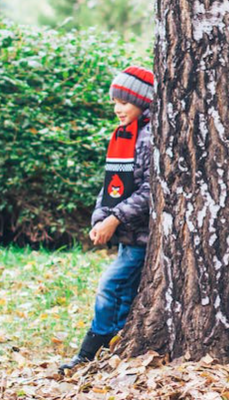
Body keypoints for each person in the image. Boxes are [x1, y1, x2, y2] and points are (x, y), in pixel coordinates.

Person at [59, 66, 154, 373]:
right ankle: (117, 342)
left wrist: (115, 218)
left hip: (143, 236)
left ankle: (91, 348)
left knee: (111, 284)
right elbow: (111, 184)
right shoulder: (124, 136)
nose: (117, 108)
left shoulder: (150, 139)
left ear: (143, 101)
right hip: (127, 233)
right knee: (123, 289)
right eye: (114, 101)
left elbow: (151, 189)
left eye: (124, 102)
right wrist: (101, 217)